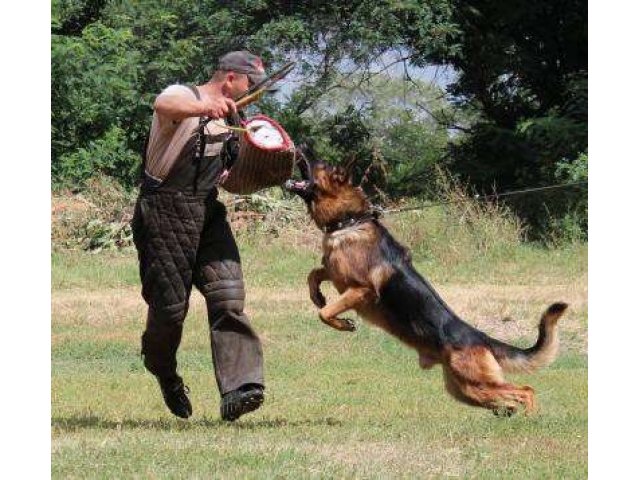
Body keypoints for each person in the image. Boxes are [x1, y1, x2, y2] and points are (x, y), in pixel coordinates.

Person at [131, 51, 267, 421]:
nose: (252, 92)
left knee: (228, 294)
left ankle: (241, 389)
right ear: (230, 80)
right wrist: (204, 107)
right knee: (170, 311)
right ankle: (163, 370)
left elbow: (236, 176)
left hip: (206, 211)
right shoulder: (185, 96)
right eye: (250, 85)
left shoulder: (232, 118)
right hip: (164, 211)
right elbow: (163, 102)